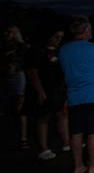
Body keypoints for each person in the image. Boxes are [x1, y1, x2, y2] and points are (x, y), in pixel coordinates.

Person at [59, 16, 94, 173]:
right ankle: (93, 167)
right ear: (85, 31)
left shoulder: (64, 49)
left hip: (74, 96)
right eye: (89, 29)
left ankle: (78, 167)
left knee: (76, 132)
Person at [24, 29, 71, 160]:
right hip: (44, 88)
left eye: (60, 37)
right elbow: (32, 72)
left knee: (62, 114)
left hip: (58, 88)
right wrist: (40, 91)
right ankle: (44, 149)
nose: (58, 40)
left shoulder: (59, 50)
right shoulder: (37, 50)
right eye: (56, 36)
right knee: (44, 117)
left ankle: (67, 143)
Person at [1, 25, 30, 149]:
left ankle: (23, 137)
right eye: (6, 31)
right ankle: (10, 135)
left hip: (18, 76)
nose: (7, 33)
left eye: (9, 32)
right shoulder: (2, 45)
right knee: (7, 106)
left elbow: (23, 61)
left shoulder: (21, 46)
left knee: (20, 107)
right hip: (4, 76)